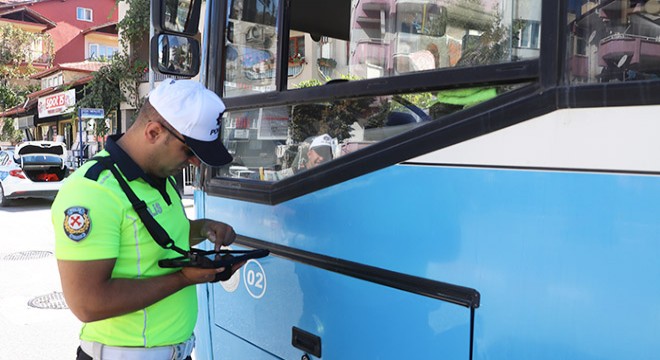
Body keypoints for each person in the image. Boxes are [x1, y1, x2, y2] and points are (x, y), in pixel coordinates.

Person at [51, 79, 243, 360]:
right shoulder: (93, 190)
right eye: (190, 152)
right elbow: (87, 303)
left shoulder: (160, 177)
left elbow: (149, 236)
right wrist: (182, 279)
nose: (195, 163)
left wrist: (204, 228)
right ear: (153, 132)